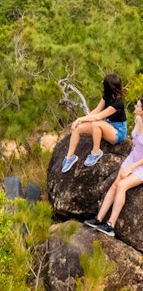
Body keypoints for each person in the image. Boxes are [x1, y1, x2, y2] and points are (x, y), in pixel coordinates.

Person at [84, 97, 143, 237]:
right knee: (115, 185)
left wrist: (131, 168)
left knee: (122, 186)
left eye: (138, 105)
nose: (135, 106)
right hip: (133, 157)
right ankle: (98, 219)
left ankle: (110, 225)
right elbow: (135, 143)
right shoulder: (138, 120)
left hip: (140, 164)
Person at [61, 73, 127, 173]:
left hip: (117, 132)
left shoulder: (118, 103)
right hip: (106, 125)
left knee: (96, 123)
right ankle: (70, 157)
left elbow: (99, 116)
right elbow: (96, 111)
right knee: (77, 128)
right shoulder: (107, 96)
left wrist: (80, 119)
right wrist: (81, 121)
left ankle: (96, 152)